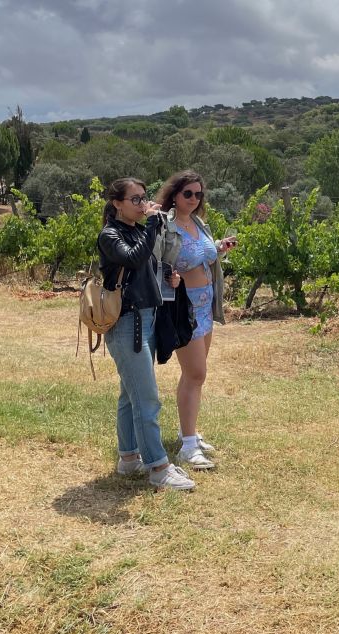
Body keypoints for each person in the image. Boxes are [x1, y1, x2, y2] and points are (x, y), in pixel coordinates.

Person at [98, 177, 195, 491]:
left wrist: (169, 274)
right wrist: (153, 224)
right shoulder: (110, 235)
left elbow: (151, 262)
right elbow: (132, 258)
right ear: (117, 204)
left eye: (143, 198)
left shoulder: (139, 230)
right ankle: (158, 467)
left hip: (146, 320)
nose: (142, 204)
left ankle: (128, 458)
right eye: (135, 200)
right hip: (127, 324)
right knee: (147, 399)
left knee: (130, 395)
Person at [154, 170, 235, 470]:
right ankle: (188, 447)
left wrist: (218, 249)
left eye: (199, 194)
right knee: (196, 373)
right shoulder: (167, 227)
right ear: (174, 194)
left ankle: (189, 433)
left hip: (205, 305)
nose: (194, 199)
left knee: (194, 375)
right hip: (183, 308)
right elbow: (159, 264)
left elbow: (205, 257)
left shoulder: (199, 224)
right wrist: (171, 278)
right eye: (188, 193)